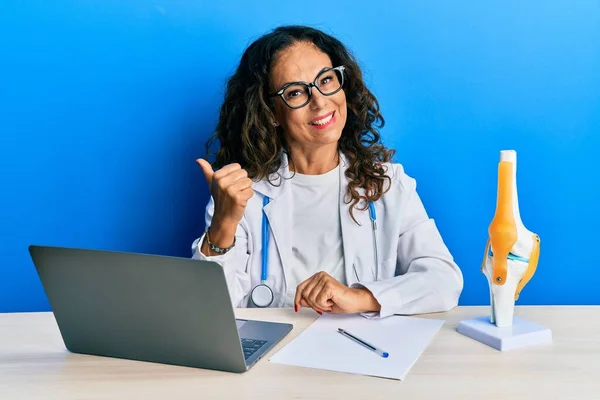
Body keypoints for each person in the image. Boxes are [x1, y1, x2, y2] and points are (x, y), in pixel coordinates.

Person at [192, 25, 463, 318]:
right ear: (271, 114)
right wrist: (223, 224)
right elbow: (206, 312)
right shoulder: (242, 193)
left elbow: (443, 280)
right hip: (271, 358)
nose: (320, 101)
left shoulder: (388, 184)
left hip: (361, 351)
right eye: (295, 92)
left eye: (326, 80)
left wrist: (359, 297)